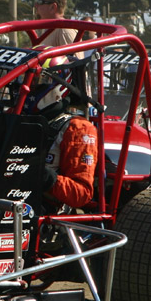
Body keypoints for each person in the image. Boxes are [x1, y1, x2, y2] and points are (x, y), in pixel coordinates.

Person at [23, 63, 97, 209]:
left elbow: (81, 194)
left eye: (36, 80)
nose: (28, 85)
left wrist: (44, 176)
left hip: (45, 212)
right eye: (24, 79)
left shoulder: (77, 128)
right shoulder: (13, 114)